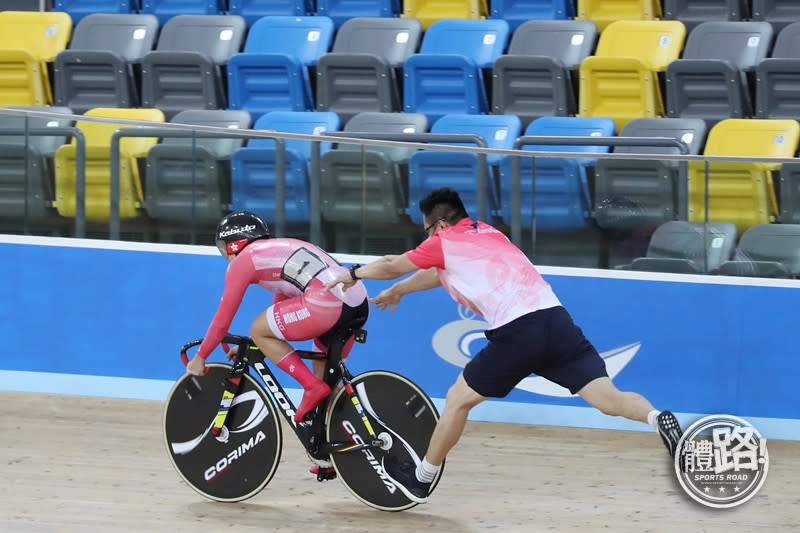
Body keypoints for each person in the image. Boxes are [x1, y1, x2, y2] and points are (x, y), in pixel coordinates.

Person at [324, 187, 683, 504]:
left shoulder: (444, 241)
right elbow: (437, 272)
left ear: (439, 226)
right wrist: (400, 290)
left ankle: (421, 479)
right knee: (609, 400)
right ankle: (657, 418)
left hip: (518, 330)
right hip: (556, 321)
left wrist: (354, 273)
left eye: (426, 231)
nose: (427, 238)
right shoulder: (488, 233)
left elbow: (391, 264)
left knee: (457, 400)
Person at [186, 210, 370, 434]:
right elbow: (281, 301)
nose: (225, 254)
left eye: (224, 247)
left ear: (235, 243)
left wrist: (200, 357)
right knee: (329, 383)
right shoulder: (278, 248)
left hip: (327, 304)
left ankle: (310, 386)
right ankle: (335, 456)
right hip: (358, 301)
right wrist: (255, 343)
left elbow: (222, 320)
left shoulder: (244, 260)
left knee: (259, 329)